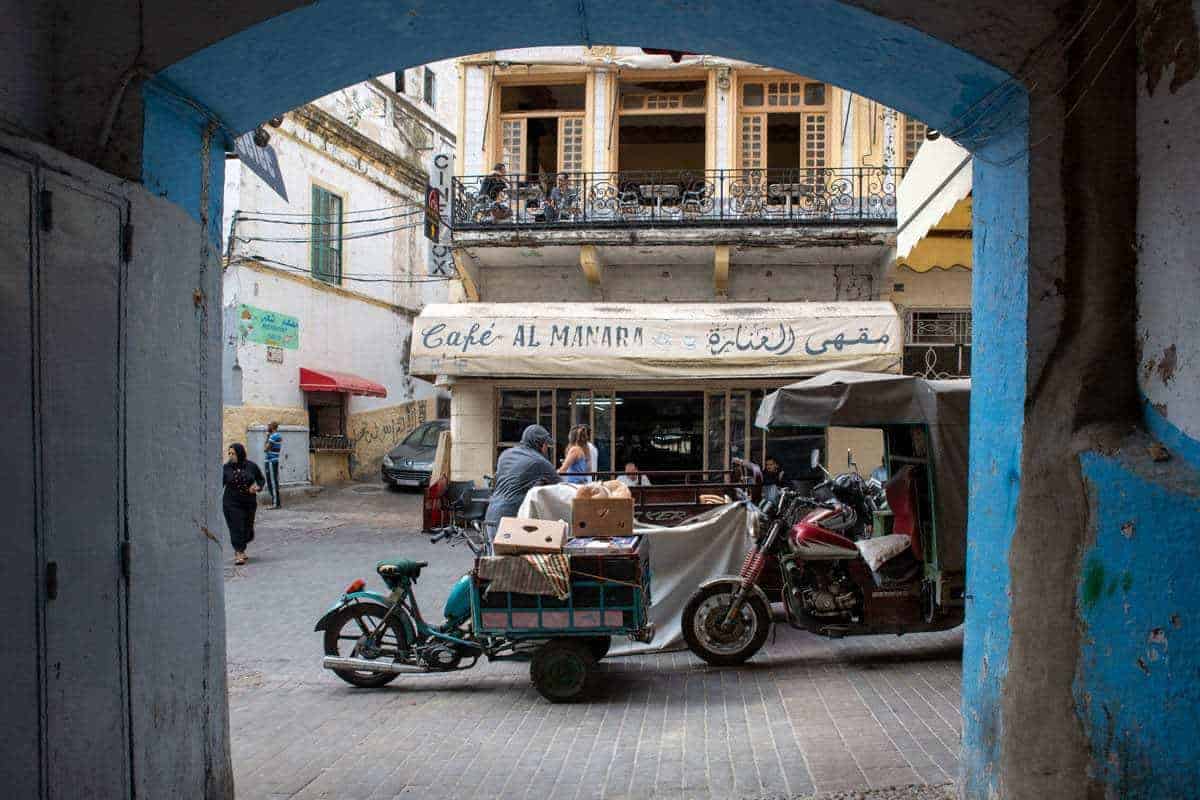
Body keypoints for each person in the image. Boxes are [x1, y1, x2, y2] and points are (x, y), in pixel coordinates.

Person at [484, 424, 560, 538]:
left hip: (491, 514)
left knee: (493, 554)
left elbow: (512, 480)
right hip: (510, 520)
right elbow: (560, 486)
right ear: (538, 443)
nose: (546, 448)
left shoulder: (505, 454)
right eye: (545, 444)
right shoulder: (539, 462)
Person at [223, 443, 265, 565]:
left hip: (248, 502)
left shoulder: (251, 466)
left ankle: (242, 546)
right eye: (229, 453)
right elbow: (218, 483)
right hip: (231, 502)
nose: (231, 456)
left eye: (233, 453)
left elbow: (260, 479)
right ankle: (239, 552)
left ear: (240, 453)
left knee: (247, 529)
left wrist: (257, 487)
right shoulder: (226, 468)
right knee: (236, 527)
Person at [263, 421, 283, 508]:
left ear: (272, 427)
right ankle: (275, 502)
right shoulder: (274, 436)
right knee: (271, 481)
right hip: (270, 460)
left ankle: (276, 504)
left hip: (272, 461)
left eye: (269, 425)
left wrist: (267, 436)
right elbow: (266, 447)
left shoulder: (274, 436)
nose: (267, 427)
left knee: (273, 482)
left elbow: (266, 448)